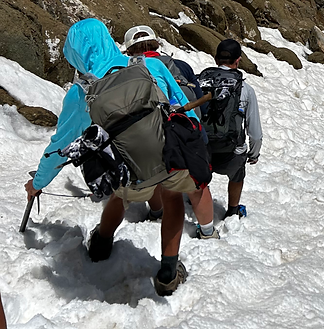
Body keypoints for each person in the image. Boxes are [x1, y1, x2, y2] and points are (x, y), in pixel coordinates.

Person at [25, 18, 202, 296]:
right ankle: (168, 271)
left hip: (129, 173)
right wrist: (195, 145)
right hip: (170, 156)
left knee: (119, 196)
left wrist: (38, 183)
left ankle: (101, 243)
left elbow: (59, 146)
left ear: (75, 53)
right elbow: (182, 105)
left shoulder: (81, 92)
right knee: (171, 197)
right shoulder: (148, 65)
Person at [122, 25, 218, 240]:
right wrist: (196, 128)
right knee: (196, 185)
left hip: (144, 135)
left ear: (129, 49)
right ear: (156, 43)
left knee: (155, 174)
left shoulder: (124, 68)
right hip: (179, 129)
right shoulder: (171, 65)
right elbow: (189, 99)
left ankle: (157, 211)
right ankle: (208, 231)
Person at [198, 39, 262, 219]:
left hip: (203, 150)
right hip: (231, 152)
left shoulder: (199, 83)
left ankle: (198, 200)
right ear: (238, 60)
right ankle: (233, 209)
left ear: (216, 59)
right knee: (238, 172)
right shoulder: (245, 89)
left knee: (199, 170)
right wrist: (254, 154)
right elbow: (255, 132)